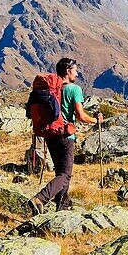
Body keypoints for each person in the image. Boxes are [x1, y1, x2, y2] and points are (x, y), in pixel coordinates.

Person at [28, 57, 101, 214]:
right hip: (65, 136)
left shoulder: (52, 89)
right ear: (68, 71)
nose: (77, 73)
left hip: (50, 134)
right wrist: (96, 120)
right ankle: (40, 198)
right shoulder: (74, 89)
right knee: (65, 175)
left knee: (60, 173)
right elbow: (81, 116)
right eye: (75, 70)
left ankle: (62, 208)